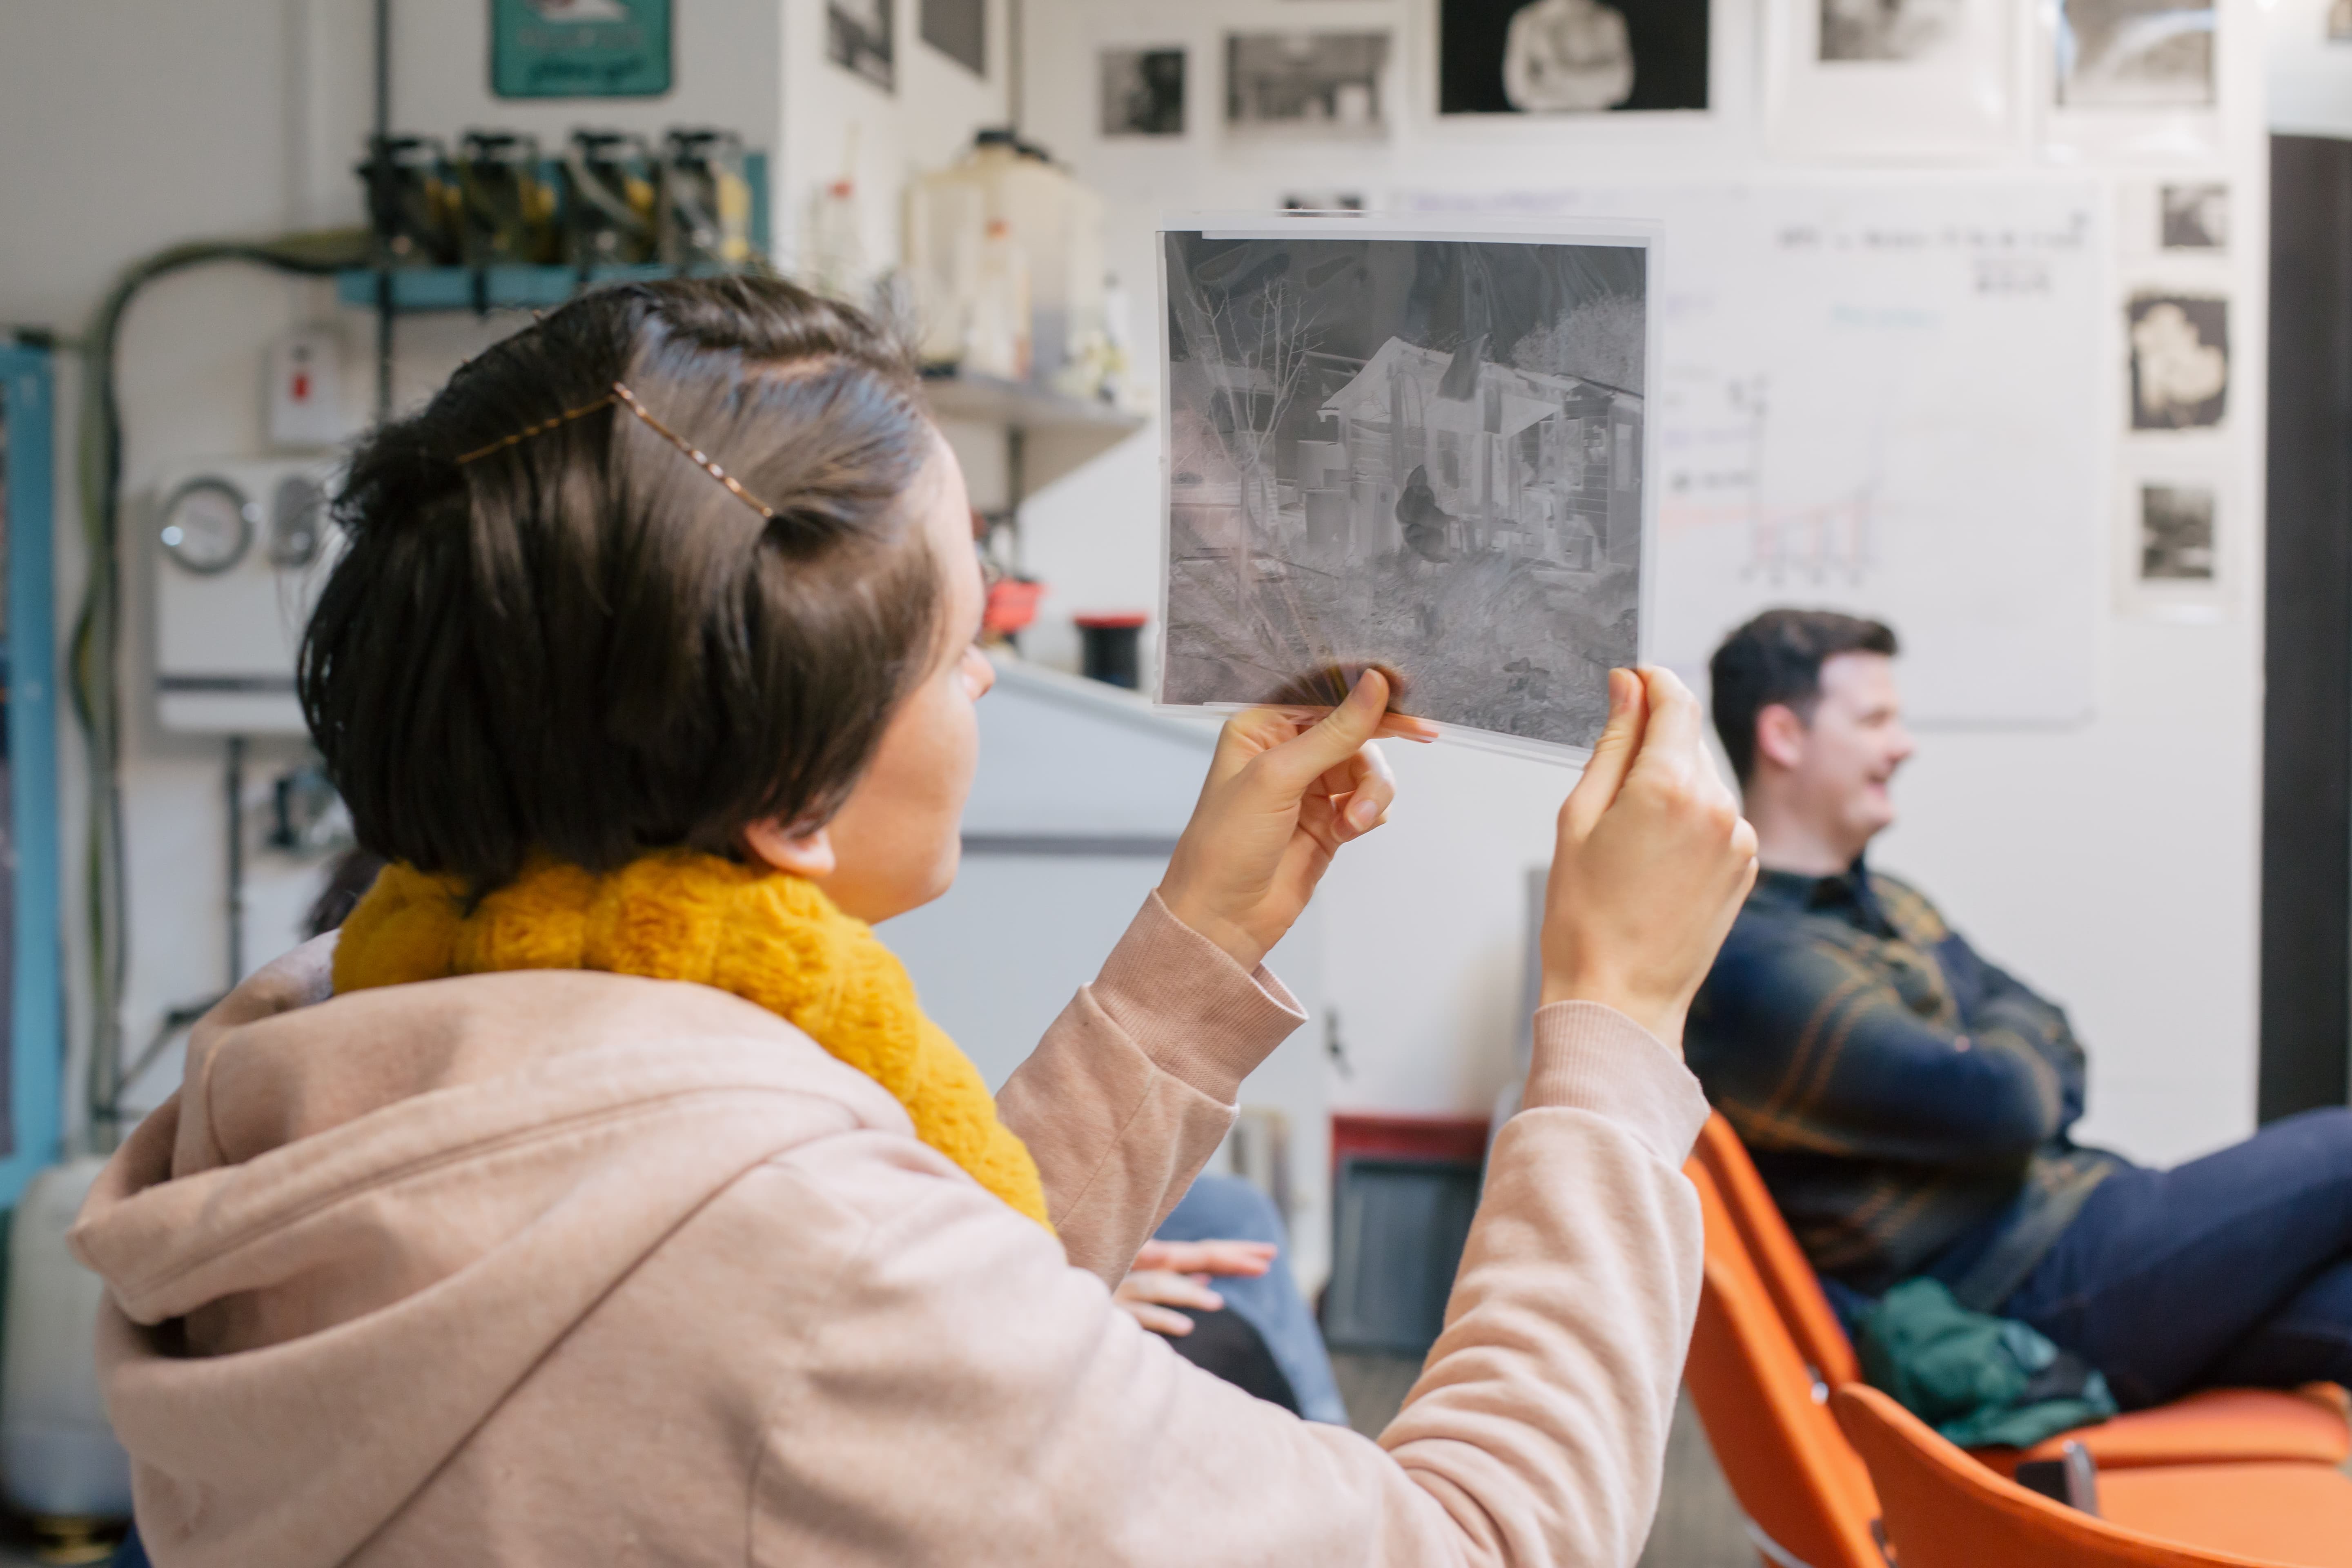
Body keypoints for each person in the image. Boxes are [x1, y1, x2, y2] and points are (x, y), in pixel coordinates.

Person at [70, 277, 1755, 1567]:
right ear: (788, 799)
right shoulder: (800, 1261)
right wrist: (1612, 1023)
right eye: (961, 647)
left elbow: (799, 1372)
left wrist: (1199, 941)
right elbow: (1486, 1543)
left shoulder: (314, 1054)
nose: (991, 682)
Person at [1690, 606, 2352, 1412]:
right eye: (1874, 721)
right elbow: (2003, 1104)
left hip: (2077, 1228)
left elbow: (2056, 1036)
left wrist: (2007, 1058)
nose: (1903, 745)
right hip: (2017, 1289)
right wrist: (2007, 1057)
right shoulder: (1751, 957)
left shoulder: (1891, 904)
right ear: (1783, 737)